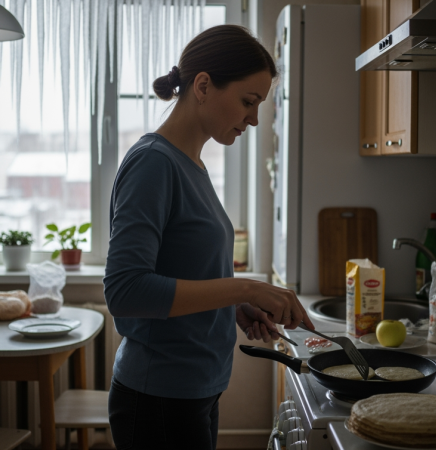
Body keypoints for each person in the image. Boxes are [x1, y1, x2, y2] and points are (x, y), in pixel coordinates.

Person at [104, 25, 315, 450]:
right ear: (203, 85)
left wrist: (237, 303)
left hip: (195, 387)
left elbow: (183, 268)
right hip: (158, 396)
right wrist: (246, 286)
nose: (254, 118)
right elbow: (125, 290)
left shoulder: (191, 165)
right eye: (247, 102)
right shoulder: (154, 164)